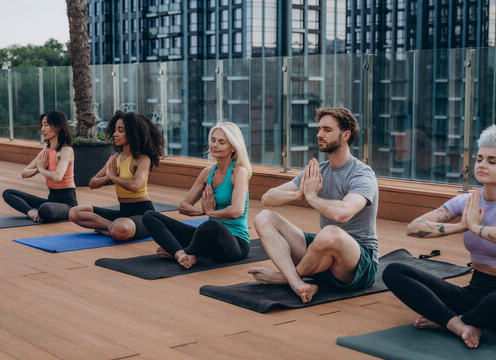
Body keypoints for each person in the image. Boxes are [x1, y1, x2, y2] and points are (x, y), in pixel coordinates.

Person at [247, 107, 379, 304]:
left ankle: (286, 278)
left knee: (331, 233)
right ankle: (297, 282)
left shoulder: (362, 174)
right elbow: (268, 197)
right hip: (322, 257)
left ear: (345, 135)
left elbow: (343, 214)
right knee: (264, 217)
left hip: (359, 263)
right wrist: (300, 193)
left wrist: (312, 197)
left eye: (326, 129)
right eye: (319, 129)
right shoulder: (319, 170)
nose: (319, 134)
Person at [382, 125, 496, 349]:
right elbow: (414, 227)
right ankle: (458, 323)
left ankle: (453, 320)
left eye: (492, 161)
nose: (482, 165)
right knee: (394, 271)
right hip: (475, 289)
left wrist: (474, 227)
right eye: (479, 158)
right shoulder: (468, 201)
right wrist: (460, 227)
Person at [142, 122, 251, 269]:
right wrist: (202, 211)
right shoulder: (207, 173)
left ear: (233, 147)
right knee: (150, 216)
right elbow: (183, 206)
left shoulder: (239, 172)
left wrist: (211, 212)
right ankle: (181, 254)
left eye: (221, 142)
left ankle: (188, 253)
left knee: (211, 225)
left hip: (235, 243)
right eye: (213, 140)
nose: (215, 145)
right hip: (206, 237)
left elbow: (236, 211)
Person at [68, 111, 163, 241]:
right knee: (75, 212)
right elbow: (92, 183)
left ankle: (107, 229)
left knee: (120, 229)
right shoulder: (116, 158)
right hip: (123, 212)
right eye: (115, 130)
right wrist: (107, 177)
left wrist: (113, 178)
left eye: (120, 131)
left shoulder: (142, 159)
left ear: (133, 133)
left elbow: (135, 186)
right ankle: (110, 229)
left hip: (143, 214)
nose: (115, 134)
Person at [2, 110, 77, 222]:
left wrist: (41, 169)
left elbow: (57, 177)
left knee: (45, 209)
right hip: (51, 200)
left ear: (58, 126)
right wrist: (38, 168)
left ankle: (40, 212)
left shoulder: (66, 150)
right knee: (8, 193)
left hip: (67, 204)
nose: (42, 129)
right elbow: (24, 173)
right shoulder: (45, 152)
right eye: (42, 125)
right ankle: (31, 212)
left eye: (46, 125)